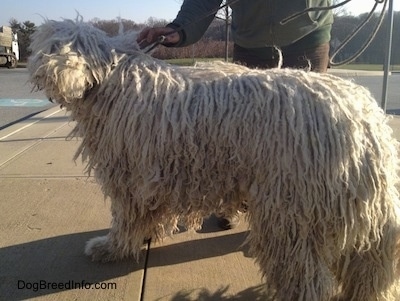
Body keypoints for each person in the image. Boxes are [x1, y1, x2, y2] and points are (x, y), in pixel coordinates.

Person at [137, 0, 334, 229]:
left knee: (303, 142)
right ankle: (238, 203)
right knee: (242, 140)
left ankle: (296, 217)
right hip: (251, 46)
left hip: (307, 38)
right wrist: (180, 29)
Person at [137, 0, 334, 72]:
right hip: (249, 50)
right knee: (247, 136)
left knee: (309, 134)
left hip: (307, 42)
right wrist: (179, 30)